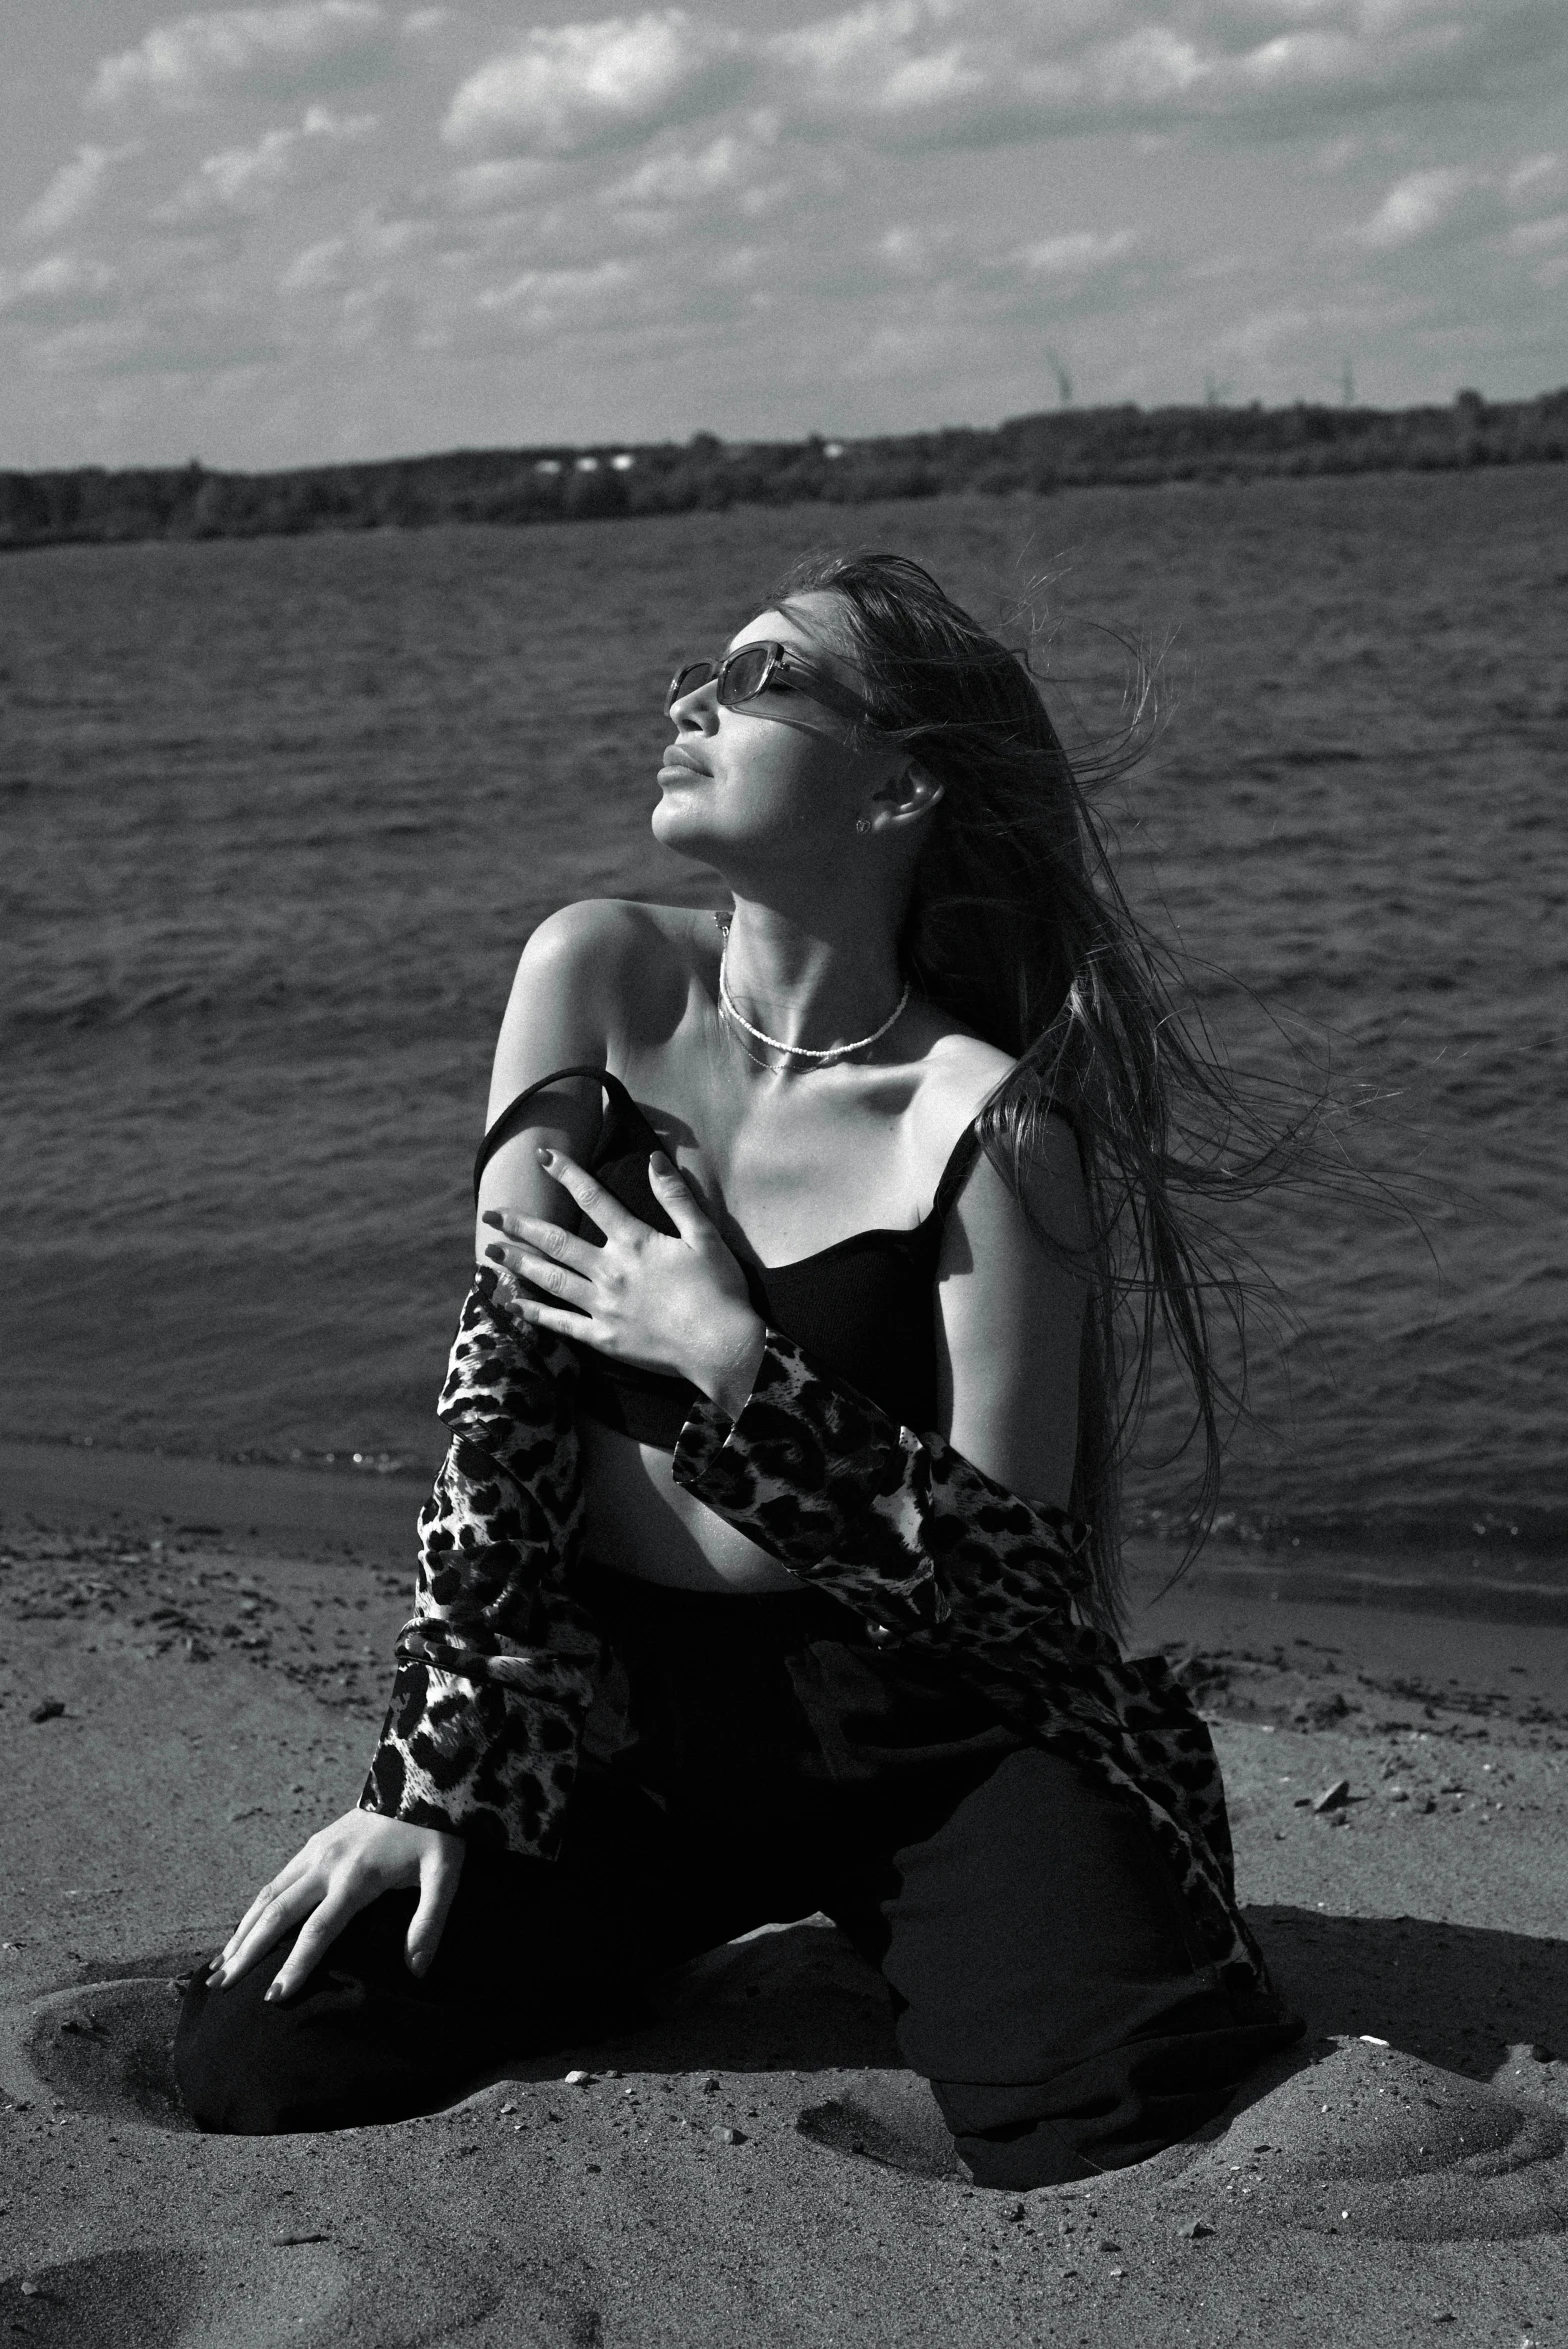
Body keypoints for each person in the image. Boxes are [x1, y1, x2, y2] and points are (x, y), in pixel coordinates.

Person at [174, 550, 1302, 2181]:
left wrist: (729, 1363)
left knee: (1106, 2104)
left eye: (763, 679)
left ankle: (1027, 1873)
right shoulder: (597, 973)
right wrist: (428, 1774)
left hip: (920, 1724)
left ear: (899, 782)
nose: (693, 700)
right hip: (608, 1721)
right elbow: (498, 1405)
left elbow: (1015, 1576)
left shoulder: (983, 1124)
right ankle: (657, 1930)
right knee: (262, 2055)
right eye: (702, 668)